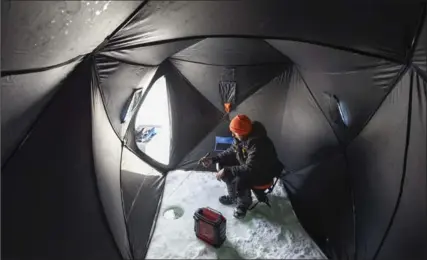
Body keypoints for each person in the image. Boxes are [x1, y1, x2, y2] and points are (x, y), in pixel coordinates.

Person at [201, 114, 284, 219]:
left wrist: (226, 170)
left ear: (242, 133)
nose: (232, 135)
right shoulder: (242, 138)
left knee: (240, 178)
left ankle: (243, 204)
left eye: (235, 132)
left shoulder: (259, 145)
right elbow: (232, 151)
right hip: (251, 166)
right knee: (225, 165)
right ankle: (233, 197)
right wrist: (214, 159)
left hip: (263, 174)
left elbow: (250, 169)